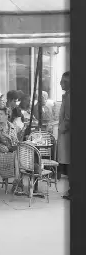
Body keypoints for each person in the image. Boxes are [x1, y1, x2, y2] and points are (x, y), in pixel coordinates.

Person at [0, 106, 19, 188]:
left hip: (12, 150)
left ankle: (17, 179)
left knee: (21, 155)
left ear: (7, 115)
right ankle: (17, 180)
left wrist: (16, 144)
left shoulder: (12, 126)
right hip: (0, 151)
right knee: (15, 157)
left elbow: (16, 140)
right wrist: (3, 148)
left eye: (1, 114)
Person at [57, 72, 71, 200]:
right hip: (65, 134)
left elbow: (69, 118)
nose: (60, 83)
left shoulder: (70, 96)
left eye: (63, 81)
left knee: (69, 162)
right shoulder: (66, 95)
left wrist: (61, 130)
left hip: (68, 135)